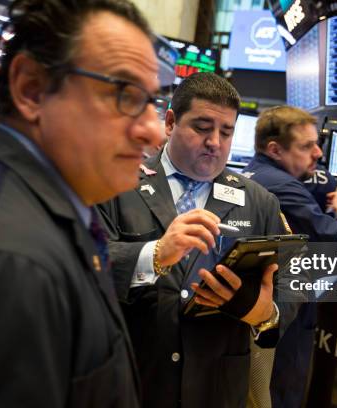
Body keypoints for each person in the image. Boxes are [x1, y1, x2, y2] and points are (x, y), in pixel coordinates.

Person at [0, 0, 164, 406]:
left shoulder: (50, 211)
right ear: (32, 89)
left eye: (153, 101)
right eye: (124, 93)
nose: (153, 131)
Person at [97, 72, 297, 408]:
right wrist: (155, 253)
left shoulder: (260, 201)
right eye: (202, 128)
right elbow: (84, 264)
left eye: (226, 132)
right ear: (171, 122)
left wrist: (268, 314)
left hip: (216, 387)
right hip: (134, 380)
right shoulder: (116, 184)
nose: (215, 142)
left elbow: (291, 289)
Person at [243, 105, 337, 407]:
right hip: (281, 323)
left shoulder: (252, 173)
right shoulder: (283, 187)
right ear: (275, 149)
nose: (318, 153)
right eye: (306, 146)